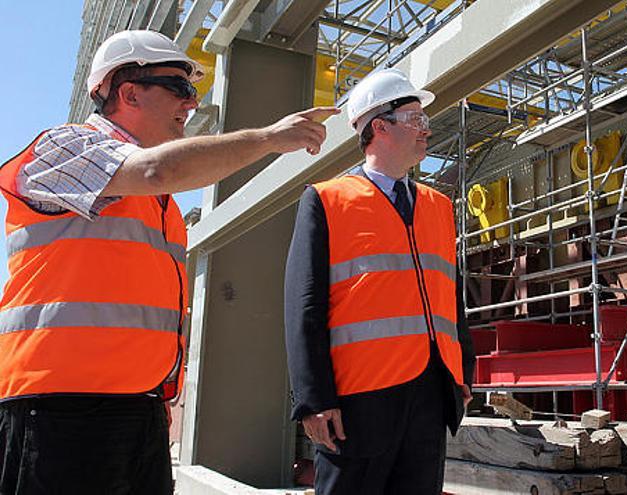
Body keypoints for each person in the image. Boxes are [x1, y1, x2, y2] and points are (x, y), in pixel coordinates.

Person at [0, 30, 337, 494]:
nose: (191, 104)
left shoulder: (158, 206)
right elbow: (158, 169)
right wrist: (268, 138)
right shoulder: (63, 148)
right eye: (179, 88)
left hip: (137, 412)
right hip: (59, 412)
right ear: (129, 91)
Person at [284, 68, 475, 495]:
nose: (426, 129)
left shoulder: (438, 207)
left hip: (430, 392)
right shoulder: (327, 200)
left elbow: (451, 298)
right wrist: (314, 399)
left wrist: (462, 373)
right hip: (357, 402)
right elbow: (304, 307)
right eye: (415, 119)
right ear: (379, 127)